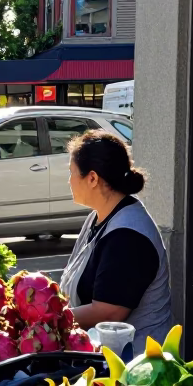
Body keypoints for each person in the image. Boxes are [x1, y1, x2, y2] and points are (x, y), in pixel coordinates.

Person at [59, 130, 172, 357]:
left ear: (92, 178)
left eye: (72, 173)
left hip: (137, 368)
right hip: (101, 356)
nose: (69, 180)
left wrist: (50, 320)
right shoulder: (100, 215)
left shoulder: (129, 237)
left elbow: (109, 313)